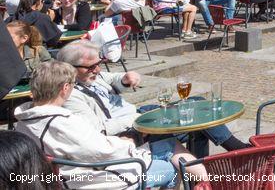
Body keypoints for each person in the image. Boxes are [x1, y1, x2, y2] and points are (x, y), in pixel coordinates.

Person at [15, 60, 207, 189]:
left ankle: (207, 182)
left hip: (73, 172)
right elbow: (100, 151)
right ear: (65, 89)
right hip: (94, 179)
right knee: (172, 167)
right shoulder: (61, 121)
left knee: (169, 145)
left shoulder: (24, 122)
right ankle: (209, 182)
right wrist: (129, 143)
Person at [57, 41, 248, 150]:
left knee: (196, 103)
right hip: (131, 127)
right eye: (91, 66)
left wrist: (124, 78)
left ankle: (222, 158)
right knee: (193, 119)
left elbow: (112, 77)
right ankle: (238, 151)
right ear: (69, 68)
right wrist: (138, 119)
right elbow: (98, 128)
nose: (97, 69)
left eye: (99, 63)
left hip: (138, 113)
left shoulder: (93, 76)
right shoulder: (71, 95)